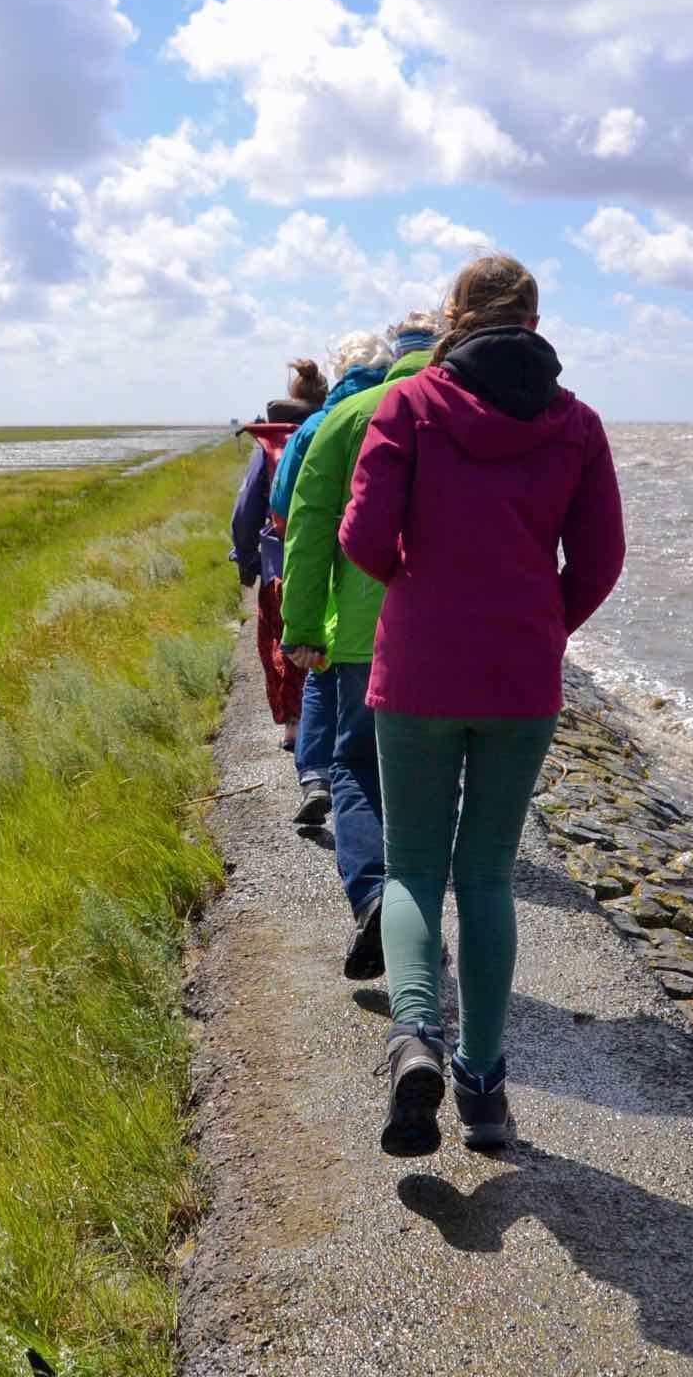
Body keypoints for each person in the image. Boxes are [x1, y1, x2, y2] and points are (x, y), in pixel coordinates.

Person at [339, 255, 625, 1156]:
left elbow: (361, 536)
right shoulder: (575, 423)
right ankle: (484, 1084)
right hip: (519, 675)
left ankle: (415, 1035)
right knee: (490, 873)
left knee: (415, 865)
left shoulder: (411, 405)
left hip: (420, 668)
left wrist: (422, 594)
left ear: (455, 317)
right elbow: (603, 560)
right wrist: (542, 619)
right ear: (535, 322)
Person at [279, 311, 441, 978]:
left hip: (359, 633)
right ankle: (417, 919)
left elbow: (308, 528)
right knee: (428, 788)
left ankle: (375, 896)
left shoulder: (342, 420)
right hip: (445, 633)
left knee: (358, 772)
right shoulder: (455, 408)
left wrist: (303, 628)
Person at [272, 330, 393, 823]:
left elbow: (285, 508)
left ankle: (316, 776)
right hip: (383, 587)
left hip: (321, 572)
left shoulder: (320, 424)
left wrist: (295, 620)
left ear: (340, 370)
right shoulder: (399, 412)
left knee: (323, 675)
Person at [230, 360, 327, 744]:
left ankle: (293, 726)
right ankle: (326, 722)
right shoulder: (327, 433)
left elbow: (244, 511)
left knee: (279, 642)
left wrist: (245, 557)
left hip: (276, 563)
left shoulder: (269, 443)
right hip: (324, 557)